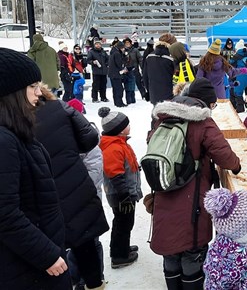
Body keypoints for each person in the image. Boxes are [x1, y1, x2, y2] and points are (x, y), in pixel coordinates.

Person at [149, 77, 241, 289]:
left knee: (171, 252)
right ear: (207, 103)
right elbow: (225, 155)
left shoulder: (163, 116)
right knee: (192, 251)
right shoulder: (202, 121)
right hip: (191, 198)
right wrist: (235, 166)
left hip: (164, 190)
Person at [0, 48, 72, 289]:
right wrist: (47, 255)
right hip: (28, 267)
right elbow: (4, 214)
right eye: (32, 86)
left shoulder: (15, 132)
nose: (39, 93)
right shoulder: (3, 141)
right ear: (12, 93)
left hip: (35, 259)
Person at [36, 87, 109, 290]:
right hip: (75, 187)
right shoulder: (58, 107)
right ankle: (94, 285)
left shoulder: (14, 120)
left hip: (42, 196)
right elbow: (89, 138)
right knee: (85, 244)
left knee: (51, 255)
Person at [98, 107, 142, 269]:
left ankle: (122, 247)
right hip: (121, 195)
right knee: (122, 224)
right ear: (119, 129)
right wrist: (124, 195)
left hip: (125, 193)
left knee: (125, 223)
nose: (129, 125)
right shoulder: (113, 147)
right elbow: (114, 173)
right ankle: (119, 256)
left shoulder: (120, 143)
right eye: (126, 124)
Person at [143, 33, 178, 105]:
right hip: (170, 96)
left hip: (154, 94)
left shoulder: (149, 57)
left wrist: (149, 91)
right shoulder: (172, 59)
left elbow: (145, 77)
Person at [109, 41, 127, 107]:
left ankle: (116, 102)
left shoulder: (113, 52)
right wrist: (124, 59)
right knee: (119, 89)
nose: (123, 49)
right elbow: (119, 64)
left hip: (112, 74)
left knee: (115, 89)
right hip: (116, 74)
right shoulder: (117, 53)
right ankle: (119, 103)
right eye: (123, 48)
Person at [123, 38, 141, 104]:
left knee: (133, 85)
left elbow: (140, 59)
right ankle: (129, 100)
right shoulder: (123, 51)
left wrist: (141, 67)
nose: (127, 44)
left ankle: (133, 99)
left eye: (128, 43)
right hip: (126, 70)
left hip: (134, 69)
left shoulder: (135, 50)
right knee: (127, 86)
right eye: (126, 43)